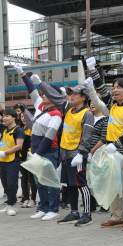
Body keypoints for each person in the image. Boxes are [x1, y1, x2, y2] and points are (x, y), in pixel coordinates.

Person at [84, 57, 123, 231]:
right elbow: (101, 88)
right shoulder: (113, 105)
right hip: (112, 153)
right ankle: (117, 216)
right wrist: (93, 70)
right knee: (114, 185)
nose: (114, 90)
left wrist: (115, 144)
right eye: (114, 87)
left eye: (119, 88)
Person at [32, 73, 94, 226]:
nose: (71, 96)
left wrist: (81, 153)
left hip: (77, 154)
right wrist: (41, 83)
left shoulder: (87, 114)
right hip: (66, 155)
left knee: (82, 185)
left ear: (84, 97)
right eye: (70, 94)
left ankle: (87, 215)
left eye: (75, 94)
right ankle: (74, 212)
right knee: (70, 185)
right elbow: (55, 95)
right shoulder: (68, 109)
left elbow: (87, 136)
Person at [14, 65, 64, 220]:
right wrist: (22, 74)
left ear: (54, 96)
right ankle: (43, 207)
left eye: (46, 94)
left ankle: (54, 209)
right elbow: (31, 89)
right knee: (39, 181)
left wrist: (38, 153)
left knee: (50, 181)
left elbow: (49, 136)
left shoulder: (57, 113)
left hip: (47, 152)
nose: (43, 96)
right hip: (36, 151)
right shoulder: (40, 106)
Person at [0, 108, 25, 216]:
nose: (4, 118)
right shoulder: (3, 129)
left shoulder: (18, 130)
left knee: (12, 184)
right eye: (3, 116)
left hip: (12, 161)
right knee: (5, 184)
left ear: (14, 117)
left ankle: (12, 205)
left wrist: (5, 152)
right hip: (2, 161)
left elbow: (19, 146)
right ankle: (8, 204)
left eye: (7, 116)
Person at [18, 112, 37, 209]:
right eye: (22, 117)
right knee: (24, 179)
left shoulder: (33, 128)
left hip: (31, 157)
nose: (23, 118)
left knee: (32, 179)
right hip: (22, 158)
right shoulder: (20, 129)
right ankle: (26, 198)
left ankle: (33, 199)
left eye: (25, 116)